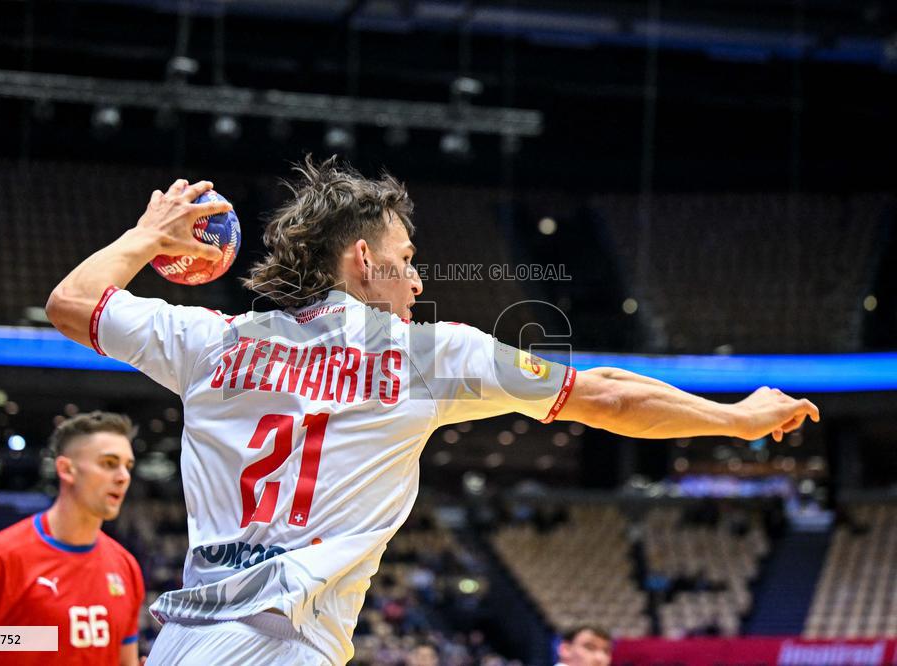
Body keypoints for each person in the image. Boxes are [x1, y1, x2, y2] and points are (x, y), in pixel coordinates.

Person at [44, 156, 820, 665]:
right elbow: (609, 394)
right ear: (361, 260)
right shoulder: (430, 353)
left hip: (186, 642)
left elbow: (72, 302)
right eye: (407, 261)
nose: (416, 282)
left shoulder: (210, 342)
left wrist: (148, 236)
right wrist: (733, 417)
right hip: (286, 644)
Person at [0, 412, 145, 666]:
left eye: (128, 466)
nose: (124, 476)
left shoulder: (126, 567)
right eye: (109, 463)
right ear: (66, 469)